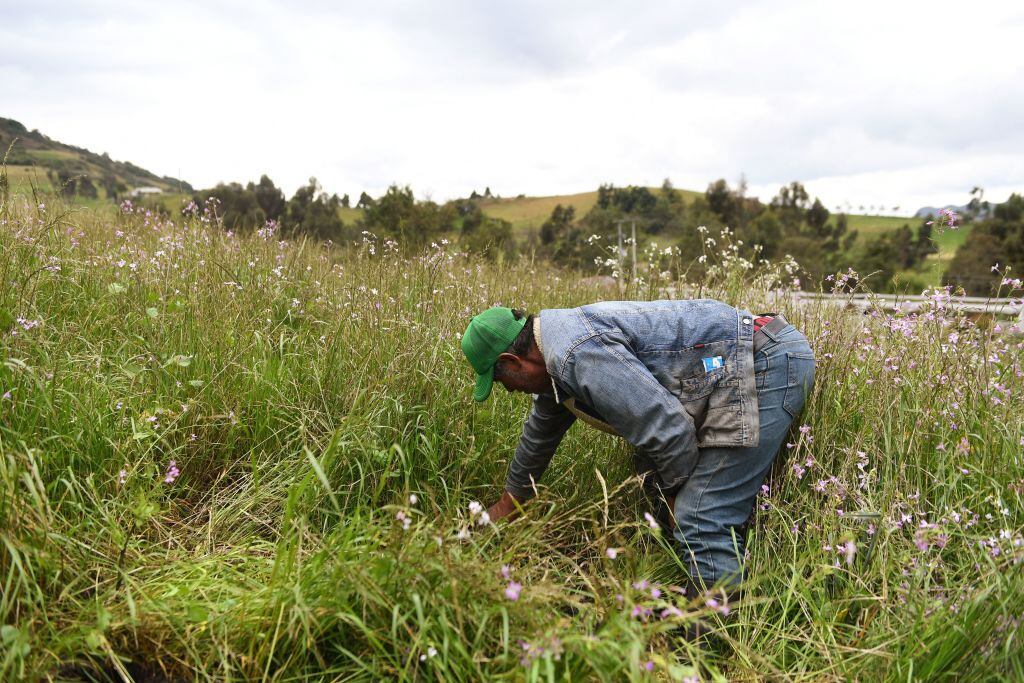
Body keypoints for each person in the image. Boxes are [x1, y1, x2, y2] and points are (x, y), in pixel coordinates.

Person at [460, 300, 815, 597]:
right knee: (654, 481)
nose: (508, 390)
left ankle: (712, 644)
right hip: (733, 362)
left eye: (501, 381)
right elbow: (539, 434)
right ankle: (691, 588)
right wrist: (510, 503)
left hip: (764, 361)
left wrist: (680, 497)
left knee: (702, 516)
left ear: (512, 361)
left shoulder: (574, 352)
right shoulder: (554, 351)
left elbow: (670, 431)